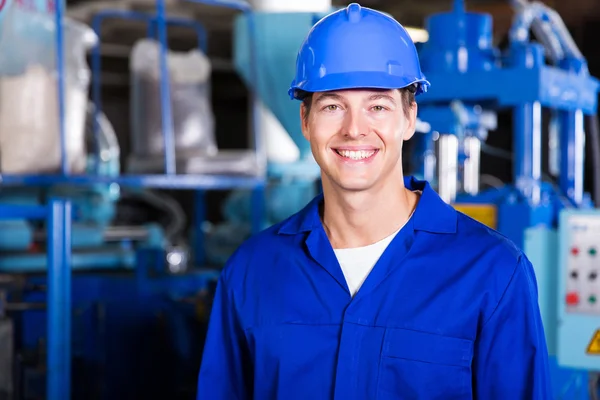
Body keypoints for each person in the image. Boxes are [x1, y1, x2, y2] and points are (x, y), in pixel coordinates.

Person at [196, 3, 552, 399]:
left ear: (409, 117)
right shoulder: (252, 272)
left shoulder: (492, 274)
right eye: (333, 106)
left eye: (377, 106)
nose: (354, 130)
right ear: (305, 120)